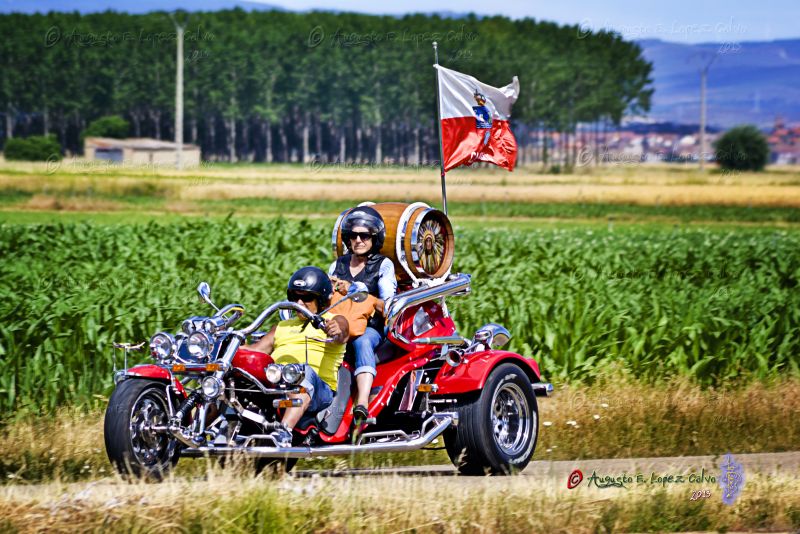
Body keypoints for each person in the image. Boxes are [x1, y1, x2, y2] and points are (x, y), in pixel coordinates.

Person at [243, 266, 349, 446]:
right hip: (276, 383)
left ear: (321, 300)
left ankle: (283, 432)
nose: (299, 303)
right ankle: (196, 431)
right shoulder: (282, 326)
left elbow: (343, 331)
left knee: (302, 371)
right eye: (294, 297)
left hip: (318, 391)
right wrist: (227, 344)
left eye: (307, 297)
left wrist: (336, 330)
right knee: (232, 371)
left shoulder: (333, 320)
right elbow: (255, 352)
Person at [328, 206, 397, 422]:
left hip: (372, 326)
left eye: (364, 235)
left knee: (363, 342)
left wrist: (357, 291)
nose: (358, 240)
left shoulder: (382, 265)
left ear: (374, 238)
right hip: (339, 319)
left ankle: (363, 402)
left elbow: (388, 307)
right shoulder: (337, 265)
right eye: (353, 235)